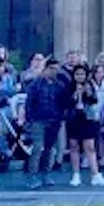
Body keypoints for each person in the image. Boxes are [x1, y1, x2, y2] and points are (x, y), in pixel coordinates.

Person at [25, 57, 68, 188]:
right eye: (52, 69)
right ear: (45, 69)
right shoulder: (35, 84)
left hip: (54, 119)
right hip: (38, 120)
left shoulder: (59, 85)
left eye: (56, 69)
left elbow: (63, 103)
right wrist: (30, 119)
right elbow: (29, 103)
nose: (54, 72)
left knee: (50, 149)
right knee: (37, 148)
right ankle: (32, 175)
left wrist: (60, 117)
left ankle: (46, 174)